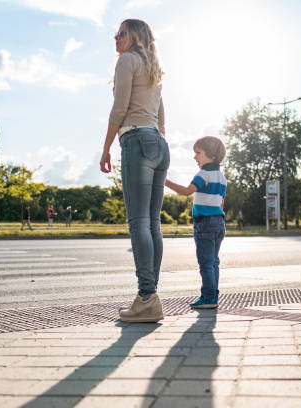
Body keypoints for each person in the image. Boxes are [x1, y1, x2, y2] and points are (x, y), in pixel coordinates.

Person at [99, 19, 168, 322]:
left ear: (135, 36)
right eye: (115, 33)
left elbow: (120, 108)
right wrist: (158, 144)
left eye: (121, 33)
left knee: (138, 221)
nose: (116, 38)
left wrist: (105, 148)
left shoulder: (127, 61)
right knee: (152, 222)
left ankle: (147, 298)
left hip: (137, 141)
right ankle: (149, 295)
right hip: (157, 143)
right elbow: (161, 115)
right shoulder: (153, 69)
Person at [165, 136, 227, 309]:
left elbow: (186, 191)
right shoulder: (222, 177)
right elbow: (221, 203)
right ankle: (212, 296)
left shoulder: (203, 174)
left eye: (198, 153)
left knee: (205, 263)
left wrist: (164, 180)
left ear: (211, 155)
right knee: (214, 262)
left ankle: (208, 299)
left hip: (205, 223)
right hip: (219, 222)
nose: (195, 157)